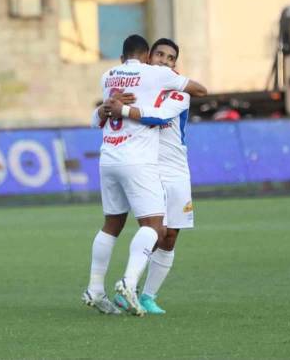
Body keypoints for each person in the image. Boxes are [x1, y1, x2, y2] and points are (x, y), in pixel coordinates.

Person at [83, 34, 206, 316]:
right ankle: (128, 286)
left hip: (172, 169)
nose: (164, 61)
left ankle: (147, 295)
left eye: (171, 58)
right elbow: (100, 115)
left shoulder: (176, 93)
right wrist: (112, 107)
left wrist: (119, 107)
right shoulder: (143, 82)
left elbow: (160, 116)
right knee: (150, 226)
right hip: (142, 164)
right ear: (149, 57)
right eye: (160, 55)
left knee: (169, 235)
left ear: (176, 64)